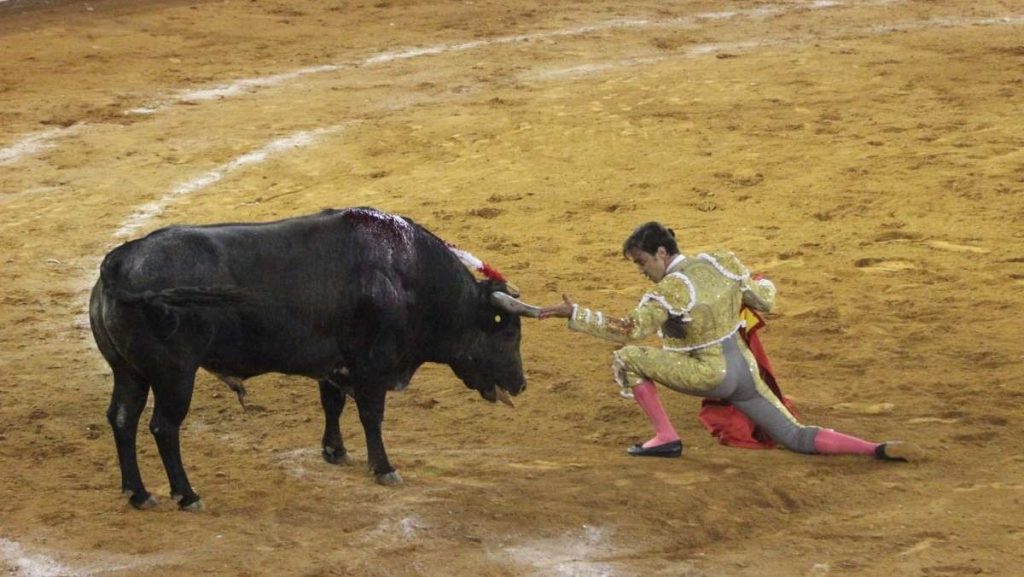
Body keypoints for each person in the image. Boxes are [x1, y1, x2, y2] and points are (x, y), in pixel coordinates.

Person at [538, 221, 919, 461]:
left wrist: (575, 314)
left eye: (642, 262)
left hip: (709, 373)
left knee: (628, 357)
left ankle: (666, 436)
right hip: (743, 370)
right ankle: (875, 448)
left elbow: (629, 330)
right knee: (795, 436)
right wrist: (764, 280)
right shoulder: (722, 263)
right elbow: (765, 299)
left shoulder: (670, 290)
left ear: (661, 252)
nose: (641, 271)